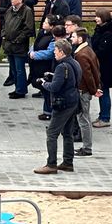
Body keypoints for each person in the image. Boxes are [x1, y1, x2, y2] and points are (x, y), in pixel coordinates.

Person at [34, 39, 82, 174]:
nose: (54, 53)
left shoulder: (61, 66)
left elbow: (55, 87)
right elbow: (72, 80)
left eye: (55, 50)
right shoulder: (74, 62)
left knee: (52, 133)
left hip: (63, 103)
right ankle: (68, 162)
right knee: (67, 133)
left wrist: (44, 83)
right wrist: (54, 76)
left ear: (61, 52)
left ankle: (51, 164)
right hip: (73, 101)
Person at [70, 28, 100, 158]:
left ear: (80, 39)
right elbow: (96, 70)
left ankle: (87, 148)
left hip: (83, 91)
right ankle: (86, 147)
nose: (71, 38)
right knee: (84, 118)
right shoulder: (88, 50)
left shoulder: (81, 55)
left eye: (73, 36)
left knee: (83, 119)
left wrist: (94, 90)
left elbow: (87, 75)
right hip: (87, 90)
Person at [2, 0, 35, 99]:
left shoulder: (27, 11)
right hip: (9, 44)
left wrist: (18, 39)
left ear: (20, 0)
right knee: (13, 69)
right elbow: (5, 23)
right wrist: (4, 34)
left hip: (19, 45)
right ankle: (17, 88)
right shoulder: (10, 10)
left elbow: (28, 28)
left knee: (20, 69)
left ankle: (21, 90)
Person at [91, 9, 112, 128]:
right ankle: (102, 115)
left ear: (104, 18)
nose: (96, 19)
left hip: (105, 67)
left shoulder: (108, 33)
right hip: (100, 66)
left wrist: (91, 55)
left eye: (98, 17)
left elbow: (102, 51)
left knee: (104, 91)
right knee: (102, 91)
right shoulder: (100, 29)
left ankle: (105, 118)